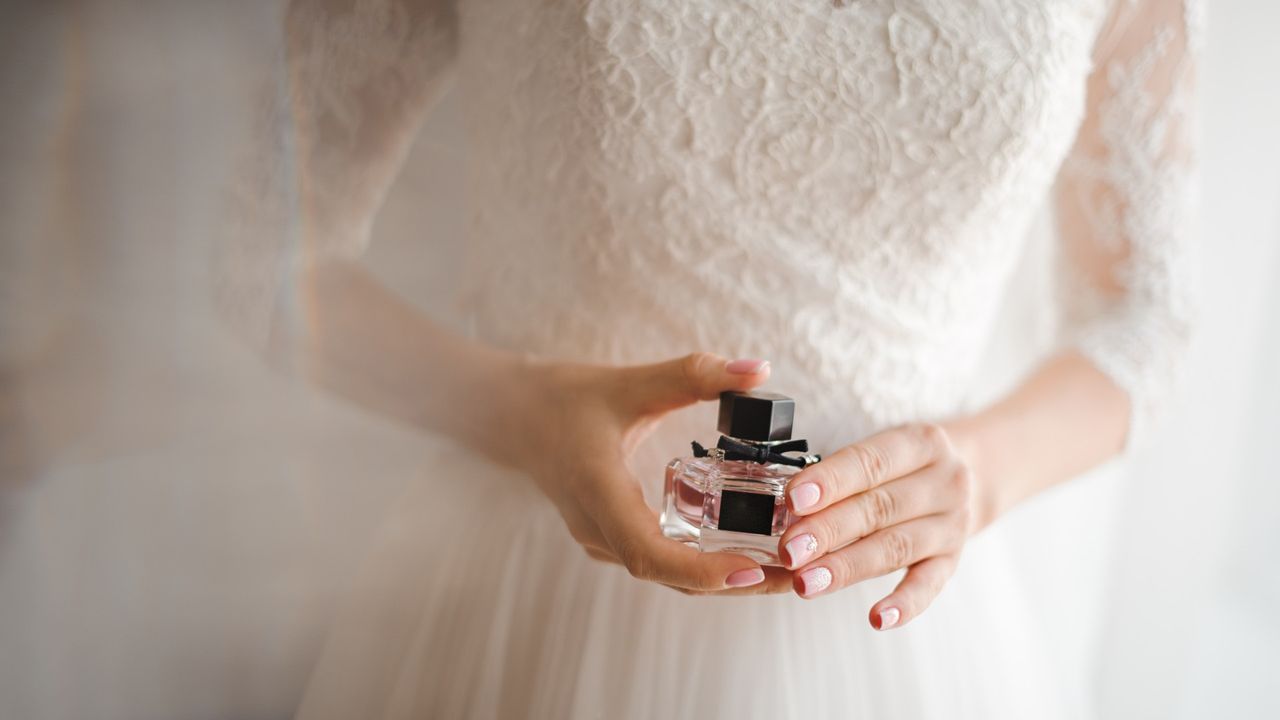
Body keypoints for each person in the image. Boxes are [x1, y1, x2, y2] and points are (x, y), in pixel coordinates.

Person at [220, 0, 1199, 717]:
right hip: (527, 592)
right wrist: (516, 412)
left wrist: (976, 472)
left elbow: (1143, 317)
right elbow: (256, 253)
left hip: (899, 633)